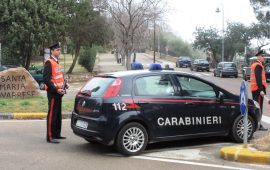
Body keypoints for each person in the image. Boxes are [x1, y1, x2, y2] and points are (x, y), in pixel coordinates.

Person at [43, 42, 68, 143]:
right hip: (53, 93)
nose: (59, 51)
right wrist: (56, 89)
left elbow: (58, 77)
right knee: (52, 115)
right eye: (57, 49)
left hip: (59, 92)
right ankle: (50, 137)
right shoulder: (49, 62)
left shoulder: (57, 62)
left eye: (59, 49)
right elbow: (46, 79)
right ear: (52, 51)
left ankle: (57, 134)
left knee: (58, 115)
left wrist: (65, 85)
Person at [250, 48, 268, 131]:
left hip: (255, 90)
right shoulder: (258, 65)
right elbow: (258, 79)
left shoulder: (256, 65)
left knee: (256, 107)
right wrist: (261, 89)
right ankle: (259, 125)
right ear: (259, 57)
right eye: (263, 56)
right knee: (259, 108)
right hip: (258, 90)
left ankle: (256, 124)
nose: (264, 57)